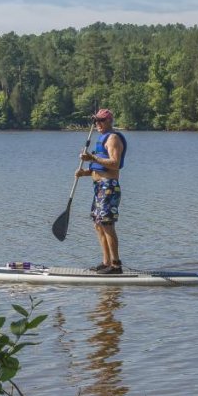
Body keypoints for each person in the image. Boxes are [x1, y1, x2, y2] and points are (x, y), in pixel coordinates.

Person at [76, 108, 127, 274]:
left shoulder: (113, 138)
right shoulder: (101, 138)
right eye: (96, 121)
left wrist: (92, 157)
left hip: (108, 187)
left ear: (109, 121)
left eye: (101, 120)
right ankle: (106, 262)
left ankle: (116, 265)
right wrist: (84, 173)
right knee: (98, 225)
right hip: (99, 187)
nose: (98, 123)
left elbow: (114, 164)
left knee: (107, 224)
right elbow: (99, 168)